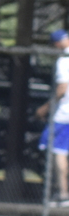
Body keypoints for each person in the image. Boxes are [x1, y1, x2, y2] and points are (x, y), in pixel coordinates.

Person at [38, 29, 69, 206]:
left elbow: (62, 88)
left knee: (59, 152)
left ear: (56, 44)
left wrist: (45, 108)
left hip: (65, 114)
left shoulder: (65, 59)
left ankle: (64, 194)